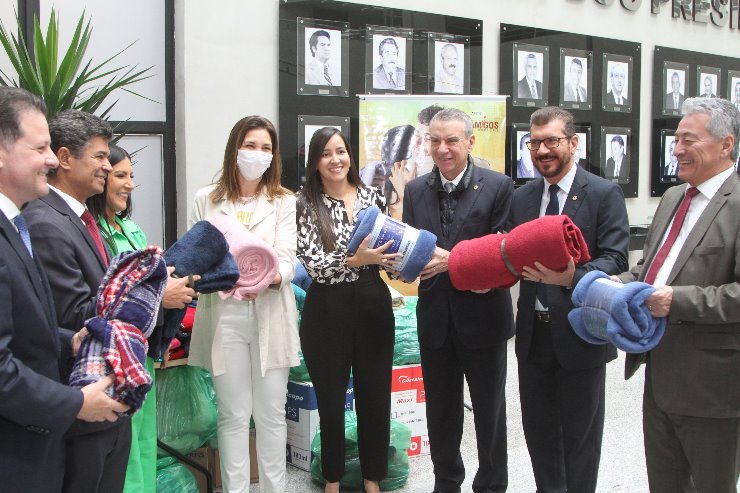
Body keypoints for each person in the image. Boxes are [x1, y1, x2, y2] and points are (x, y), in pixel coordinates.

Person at [23, 109, 195, 493]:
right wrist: (155, 296)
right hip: (83, 393)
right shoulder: (45, 222)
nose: (107, 165)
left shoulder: (79, 218)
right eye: (100, 157)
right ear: (64, 159)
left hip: (107, 393)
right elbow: (76, 316)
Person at [0, 87, 127, 493]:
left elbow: (28, 328)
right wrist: (75, 404)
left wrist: (67, 341)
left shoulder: (15, 226)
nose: (51, 159)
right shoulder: (36, 223)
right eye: (40, 148)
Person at [619, 97, 740, 492]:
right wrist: (614, 286)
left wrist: (677, 300)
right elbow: (653, 268)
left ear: (726, 144)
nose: (677, 149)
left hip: (714, 388)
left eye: (689, 139)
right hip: (658, 377)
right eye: (676, 139)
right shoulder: (674, 198)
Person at [508, 106, 629, 493]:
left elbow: (616, 258)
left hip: (582, 335)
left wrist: (571, 277)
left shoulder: (603, 193)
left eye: (552, 141)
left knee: (580, 441)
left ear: (573, 143)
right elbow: (506, 250)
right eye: (535, 142)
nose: (542, 150)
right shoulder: (522, 197)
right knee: (540, 439)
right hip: (532, 337)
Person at [402, 108, 514, 493]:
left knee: (490, 411)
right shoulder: (416, 190)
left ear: (470, 141)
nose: (443, 148)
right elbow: (412, 251)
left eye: (451, 140)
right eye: (435, 140)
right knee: (441, 411)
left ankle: (491, 484)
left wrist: (454, 262)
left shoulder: (499, 186)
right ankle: (446, 481)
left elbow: (504, 252)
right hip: (435, 319)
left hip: (483, 318)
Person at [188, 116, 299, 493]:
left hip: (270, 311)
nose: (258, 154)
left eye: (266, 148)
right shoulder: (207, 198)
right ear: (235, 148)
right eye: (251, 145)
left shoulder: (284, 200)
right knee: (233, 415)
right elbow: (195, 255)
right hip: (225, 315)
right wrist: (224, 279)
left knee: (271, 414)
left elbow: (288, 258)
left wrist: (268, 278)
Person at [297, 127, 396, 493]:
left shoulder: (373, 196)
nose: (336, 159)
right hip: (327, 308)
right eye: (326, 153)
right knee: (331, 398)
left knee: (375, 395)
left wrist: (398, 257)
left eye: (341, 151)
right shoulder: (304, 203)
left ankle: (373, 478)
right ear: (315, 161)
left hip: (373, 302)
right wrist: (356, 259)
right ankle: (333, 479)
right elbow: (316, 265)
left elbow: (386, 254)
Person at [85, 144, 155, 493]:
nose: (129, 184)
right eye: (120, 175)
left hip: (143, 354)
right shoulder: (92, 232)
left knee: (143, 445)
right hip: (113, 356)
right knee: (120, 456)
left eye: (132, 176)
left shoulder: (133, 230)